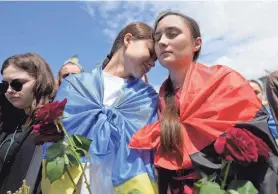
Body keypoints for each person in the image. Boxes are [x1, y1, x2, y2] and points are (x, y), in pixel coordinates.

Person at [129, 11, 278, 194]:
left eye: (172, 34)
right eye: (157, 37)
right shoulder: (154, 100)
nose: (162, 42)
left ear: (196, 44)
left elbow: (261, 152)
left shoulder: (226, 82)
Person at [41, 22, 158, 194]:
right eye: (150, 52)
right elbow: (55, 138)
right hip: (75, 183)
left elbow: (149, 150)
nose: (153, 63)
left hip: (126, 185)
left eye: (156, 59)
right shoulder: (75, 85)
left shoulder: (147, 97)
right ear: (128, 40)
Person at [0, 53, 57, 193]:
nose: (9, 91)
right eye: (5, 84)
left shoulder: (55, 124)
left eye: (17, 84)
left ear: (39, 81)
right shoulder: (8, 123)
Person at [249, 79, 278, 144]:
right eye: (248, 93)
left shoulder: (274, 114)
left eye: (256, 92)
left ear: (262, 94)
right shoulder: (241, 122)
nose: (253, 96)